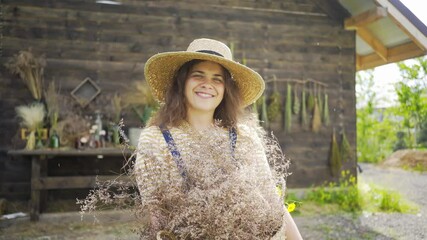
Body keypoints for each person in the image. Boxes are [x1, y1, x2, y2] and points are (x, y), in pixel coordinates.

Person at [134, 38, 302, 239]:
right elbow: (156, 215)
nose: (207, 84)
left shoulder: (244, 136)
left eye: (217, 79)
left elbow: (272, 200)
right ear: (182, 82)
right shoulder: (155, 139)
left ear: (225, 89)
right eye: (198, 75)